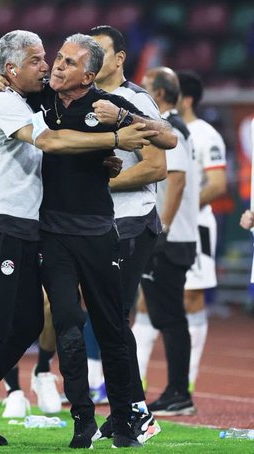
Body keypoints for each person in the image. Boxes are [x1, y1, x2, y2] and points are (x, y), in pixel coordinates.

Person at [0, 30, 157, 448]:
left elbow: (62, 145)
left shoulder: (26, 100)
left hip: (21, 228)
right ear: (11, 69)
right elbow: (51, 141)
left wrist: (102, 158)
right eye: (36, 60)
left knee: (29, 322)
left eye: (46, 58)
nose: (47, 65)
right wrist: (114, 139)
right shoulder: (2, 100)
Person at [85, 25, 169, 443]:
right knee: (107, 320)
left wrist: (98, 187)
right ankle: (127, 411)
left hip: (132, 220)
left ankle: (137, 412)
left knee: (113, 319)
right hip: (102, 224)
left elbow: (156, 166)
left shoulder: (135, 101)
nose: (92, 59)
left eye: (100, 52)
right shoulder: (84, 99)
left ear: (120, 59)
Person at [134, 71, 227, 396]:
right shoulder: (159, 126)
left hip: (188, 228)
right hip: (165, 225)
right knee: (147, 303)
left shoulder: (202, 134)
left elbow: (216, 184)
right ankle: (136, 380)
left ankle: (184, 383)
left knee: (189, 300)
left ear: (184, 99)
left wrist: (177, 215)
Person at [132, 67, 200, 417]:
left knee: (170, 317)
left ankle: (178, 393)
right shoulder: (172, 125)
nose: (141, 91)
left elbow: (175, 180)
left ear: (159, 93)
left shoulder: (170, 127)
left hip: (170, 238)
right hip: (174, 235)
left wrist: (163, 228)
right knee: (166, 315)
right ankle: (176, 391)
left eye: (146, 87)